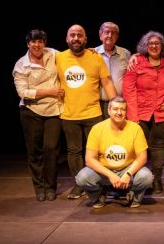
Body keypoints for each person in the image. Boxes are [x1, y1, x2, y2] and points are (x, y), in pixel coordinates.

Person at [56, 24, 117, 199]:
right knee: (74, 151)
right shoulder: (58, 57)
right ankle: (79, 183)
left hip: (93, 113)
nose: (76, 38)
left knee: (97, 151)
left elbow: (106, 82)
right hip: (69, 114)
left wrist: (116, 104)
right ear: (67, 39)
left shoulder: (95, 57)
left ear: (85, 39)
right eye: (72, 35)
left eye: (79, 35)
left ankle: (99, 183)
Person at [13, 29, 64, 201]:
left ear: (44, 43)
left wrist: (92, 51)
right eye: (33, 42)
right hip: (31, 111)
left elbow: (73, 57)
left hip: (54, 110)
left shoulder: (53, 54)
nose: (37, 45)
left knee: (51, 149)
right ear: (28, 44)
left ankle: (50, 186)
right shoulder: (22, 65)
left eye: (40, 41)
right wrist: (49, 91)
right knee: (35, 151)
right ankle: (39, 187)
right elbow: (23, 92)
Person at [75, 96, 153, 209]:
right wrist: (110, 175)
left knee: (146, 177)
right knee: (82, 178)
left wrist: (128, 174)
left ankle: (133, 195)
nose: (119, 112)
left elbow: (142, 157)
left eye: (123, 109)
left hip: (127, 169)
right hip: (105, 171)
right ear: (109, 110)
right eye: (115, 109)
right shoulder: (97, 129)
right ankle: (99, 194)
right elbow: (89, 159)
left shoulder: (135, 128)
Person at [123, 31, 164, 194]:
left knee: (159, 147)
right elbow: (128, 89)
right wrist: (133, 115)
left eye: (157, 43)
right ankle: (139, 180)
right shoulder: (137, 62)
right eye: (150, 43)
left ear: (162, 46)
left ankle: (157, 179)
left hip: (161, 113)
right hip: (140, 113)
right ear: (145, 46)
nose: (154, 46)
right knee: (139, 148)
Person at [95, 22, 131, 119]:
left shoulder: (126, 54)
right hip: (99, 105)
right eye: (106, 32)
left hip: (120, 105)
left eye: (113, 33)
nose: (110, 35)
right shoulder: (92, 54)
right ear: (100, 35)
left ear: (117, 37)